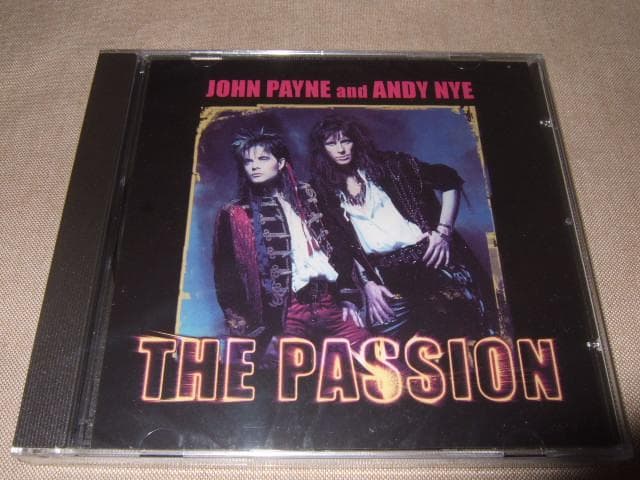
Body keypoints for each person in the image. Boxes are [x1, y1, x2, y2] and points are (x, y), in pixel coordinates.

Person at [309, 115, 497, 341]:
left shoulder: (391, 165)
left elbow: (449, 179)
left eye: (346, 141)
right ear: (322, 149)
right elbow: (345, 245)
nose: (341, 149)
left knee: (464, 334)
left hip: (431, 259)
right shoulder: (325, 192)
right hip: (390, 275)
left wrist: (443, 232)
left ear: (356, 141)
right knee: (387, 344)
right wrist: (368, 283)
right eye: (331, 143)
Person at [213, 128, 369, 365]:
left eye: (263, 159)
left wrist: (348, 296)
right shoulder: (235, 213)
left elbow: (337, 244)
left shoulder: (309, 195)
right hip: (285, 314)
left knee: (376, 361)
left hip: (328, 302)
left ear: (280, 163)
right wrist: (245, 324)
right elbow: (226, 275)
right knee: (300, 376)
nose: (254, 166)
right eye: (248, 162)